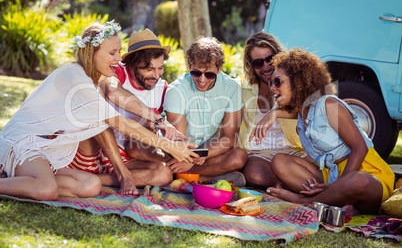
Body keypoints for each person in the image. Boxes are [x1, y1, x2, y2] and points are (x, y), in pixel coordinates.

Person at [0, 20, 197, 200]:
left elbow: (123, 101)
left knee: (90, 186)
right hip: (27, 144)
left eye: (119, 52)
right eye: (112, 53)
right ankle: (27, 180)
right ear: (91, 53)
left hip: (53, 153)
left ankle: (28, 180)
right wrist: (169, 147)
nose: (119, 58)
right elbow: (120, 122)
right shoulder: (75, 78)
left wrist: (160, 122)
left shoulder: (95, 80)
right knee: (47, 190)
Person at [264, 47, 394, 214]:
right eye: (270, 83)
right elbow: (297, 111)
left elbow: (360, 147)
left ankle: (304, 201)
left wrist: (338, 184)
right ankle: (339, 203)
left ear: (298, 81)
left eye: (278, 82)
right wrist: (274, 112)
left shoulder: (329, 105)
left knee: (357, 181)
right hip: (330, 176)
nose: (273, 88)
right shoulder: (302, 115)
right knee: (279, 162)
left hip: (365, 174)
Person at [69, 29, 188, 194]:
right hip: (91, 148)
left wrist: (162, 132)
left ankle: (89, 178)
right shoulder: (113, 72)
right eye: (149, 69)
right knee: (99, 110)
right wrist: (158, 120)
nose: (156, 75)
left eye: (160, 68)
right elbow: (113, 92)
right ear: (131, 63)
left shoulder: (162, 88)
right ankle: (122, 176)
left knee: (164, 173)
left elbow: (143, 137)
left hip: (122, 156)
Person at [162, 36, 248, 186]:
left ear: (219, 69)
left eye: (209, 74)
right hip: (175, 150)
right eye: (196, 73)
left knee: (239, 156)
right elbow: (178, 140)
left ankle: (181, 175)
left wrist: (196, 159)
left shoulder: (231, 87)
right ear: (189, 66)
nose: (202, 80)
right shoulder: (176, 89)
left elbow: (229, 139)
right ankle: (206, 178)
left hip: (206, 153)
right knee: (141, 149)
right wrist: (187, 158)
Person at [238, 32, 306, 189]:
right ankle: (291, 185)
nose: (266, 67)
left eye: (270, 59)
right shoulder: (241, 88)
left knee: (323, 167)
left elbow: (309, 111)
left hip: (293, 151)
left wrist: (276, 113)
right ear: (250, 65)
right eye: (258, 63)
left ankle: (285, 185)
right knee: (255, 174)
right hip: (259, 154)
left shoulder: (293, 84)